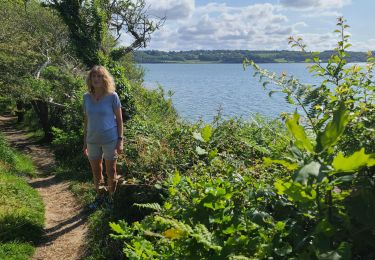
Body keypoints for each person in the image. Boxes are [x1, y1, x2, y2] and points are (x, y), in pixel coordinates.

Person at [82, 65, 123, 208]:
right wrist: (85, 141)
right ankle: (99, 197)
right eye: (94, 76)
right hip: (92, 140)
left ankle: (111, 199)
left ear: (105, 78)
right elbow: (87, 120)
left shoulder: (113, 96)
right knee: (96, 171)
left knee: (111, 171)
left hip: (110, 140)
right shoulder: (86, 97)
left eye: (99, 76)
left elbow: (119, 120)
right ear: (90, 79)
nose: (96, 79)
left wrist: (120, 140)